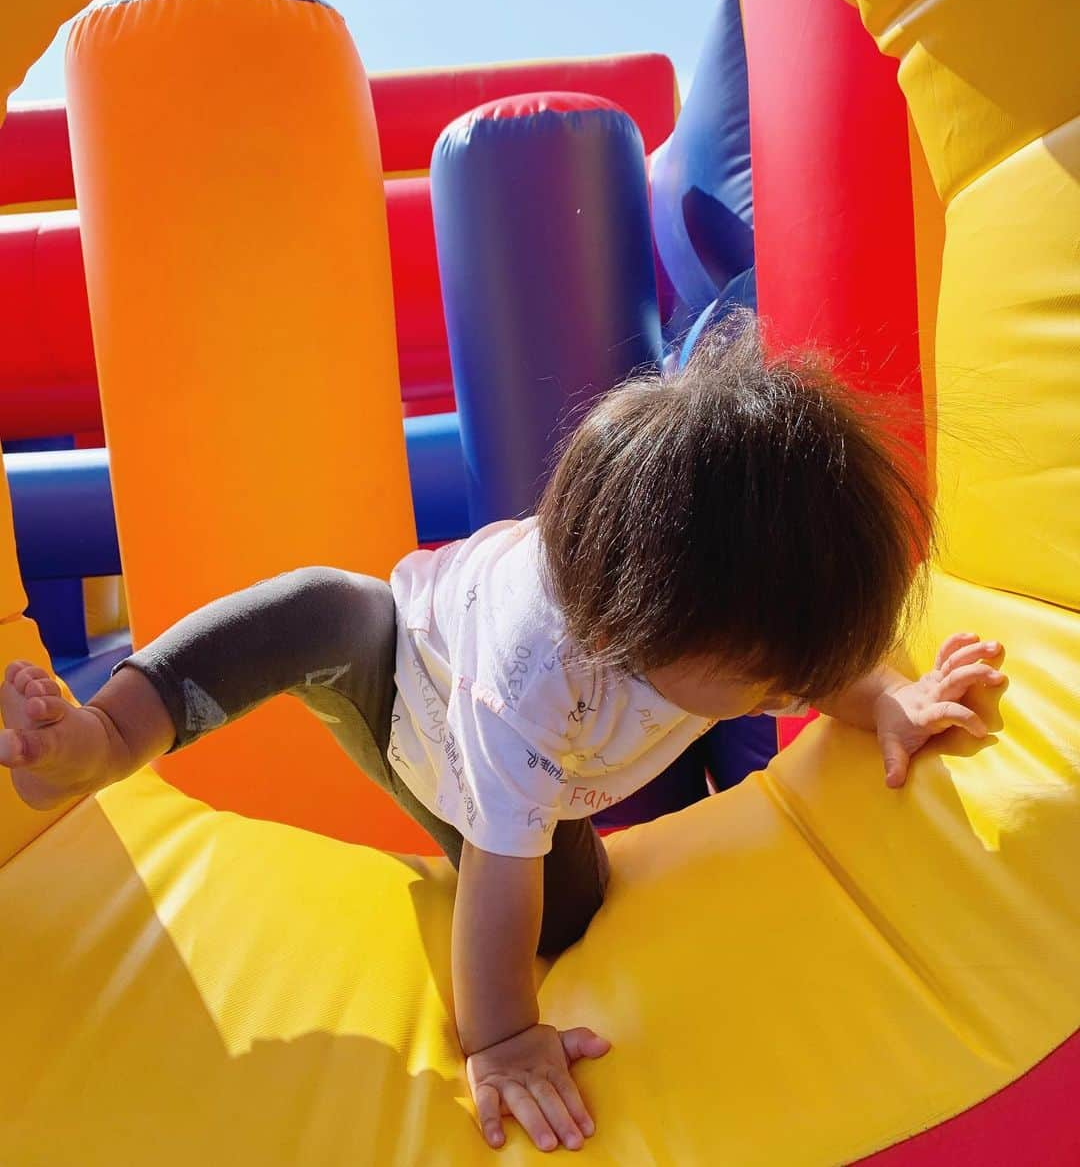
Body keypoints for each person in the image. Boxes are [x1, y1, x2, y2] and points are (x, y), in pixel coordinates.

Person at [0, 316, 1005, 1154]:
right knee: (317, 608)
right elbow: (495, 873)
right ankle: (100, 739)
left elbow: (813, 656)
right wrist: (504, 1037)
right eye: (771, 678)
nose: (794, 690)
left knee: (574, 906)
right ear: (634, 635)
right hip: (409, 680)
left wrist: (888, 702)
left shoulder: (718, 613)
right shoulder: (541, 675)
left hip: (545, 758)